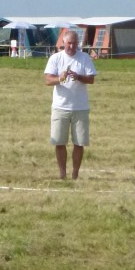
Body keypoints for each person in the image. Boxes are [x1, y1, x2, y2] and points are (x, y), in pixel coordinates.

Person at [44, 29, 97, 179]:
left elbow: (91, 79)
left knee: (79, 143)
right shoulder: (55, 58)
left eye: (74, 44)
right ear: (63, 43)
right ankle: (62, 173)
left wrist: (79, 77)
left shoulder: (85, 58)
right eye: (69, 43)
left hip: (80, 108)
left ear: (78, 44)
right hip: (60, 107)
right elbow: (48, 80)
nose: (72, 46)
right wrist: (60, 79)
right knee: (59, 142)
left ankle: (75, 173)